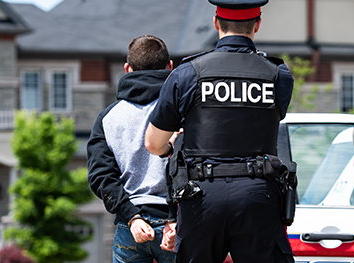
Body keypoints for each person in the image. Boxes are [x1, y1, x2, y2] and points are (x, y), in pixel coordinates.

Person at [144, 0, 294, 262]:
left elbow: (153, 144)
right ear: (257, 25)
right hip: (258, 195)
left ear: (216, 22)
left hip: (201, 197)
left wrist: (173, 146)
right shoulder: (278, 75)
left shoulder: (187, 73)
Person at [87, 35, 177, 263]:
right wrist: (177, 217)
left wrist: (132, 218)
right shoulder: (184, 110)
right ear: (170, 67)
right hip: (175, 226)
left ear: (127, 69)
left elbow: (101, 177)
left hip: (132, 226)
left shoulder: (108, 118)